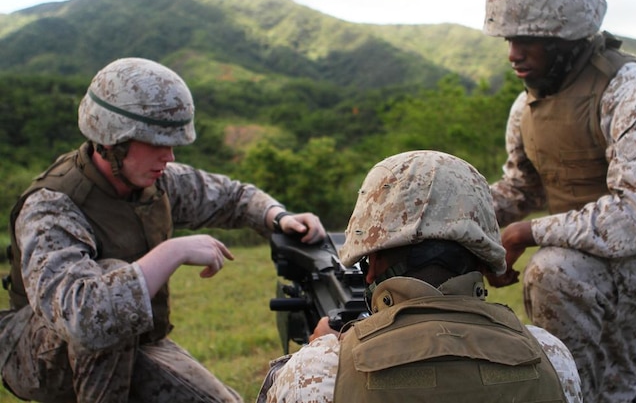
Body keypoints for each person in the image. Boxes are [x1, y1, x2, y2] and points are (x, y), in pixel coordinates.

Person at [0, 57, 326, 403]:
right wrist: (174, 251)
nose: (169, 156)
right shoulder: (53, 206)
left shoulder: (153, 182)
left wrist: (277, 216)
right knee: (108, 285)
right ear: (112, 141)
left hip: (134, 341)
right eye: (156, 143)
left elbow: (232, 197)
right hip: (37, 355)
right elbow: (83, 317)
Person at [482, 0, 636, 403]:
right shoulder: (527, 108)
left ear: (568, 37)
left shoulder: (635, 92)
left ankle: (567, 396)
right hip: (593, 258)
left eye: (528, 39)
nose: (512, 53)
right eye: (508, 37)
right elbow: (520, 189)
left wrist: (528, 232)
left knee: (553, 274)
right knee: (618, 392)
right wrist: (453, 220)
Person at [257, 150, 583, 403]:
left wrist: (322, 352)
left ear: (371, 264)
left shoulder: (316, 371)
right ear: (484, 262)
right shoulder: (551, 355)